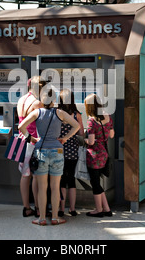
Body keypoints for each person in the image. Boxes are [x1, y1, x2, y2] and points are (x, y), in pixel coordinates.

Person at [18, 87, 80, 226]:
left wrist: (32, 138)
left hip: (41, 151)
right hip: (57, 151)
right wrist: (65, 138)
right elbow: (76, 126)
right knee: (55, 186)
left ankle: (41, 219)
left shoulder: (37, 112)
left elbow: (21, 126)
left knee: (42, 187)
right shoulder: (60, 113)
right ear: (54, 100)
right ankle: (55, 217)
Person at [17, 76, 44, 217]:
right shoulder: (37, 103)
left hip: (21, 139)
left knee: (25, 175)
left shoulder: (21, 99)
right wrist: (33, 138)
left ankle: (26, 207)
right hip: (32, 141)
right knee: (35, 175)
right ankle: (38, 208)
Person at [84, 93, 114, 217]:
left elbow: (90, 141)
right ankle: (106, 209)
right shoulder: (107, 116)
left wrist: (82, 140)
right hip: (104, 154)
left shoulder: (91, 121)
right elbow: (111, 135)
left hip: (94, 155)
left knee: (95, 183)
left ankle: (98, 210)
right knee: (98, 182)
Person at [58, 89, 84, 217]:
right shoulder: (76, 114)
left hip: (59, 149)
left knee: (61, 179)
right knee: (71, 179)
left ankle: (61, 208)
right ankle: (72, 209)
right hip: (73, 150)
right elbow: (81, 134)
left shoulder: (58, 114)